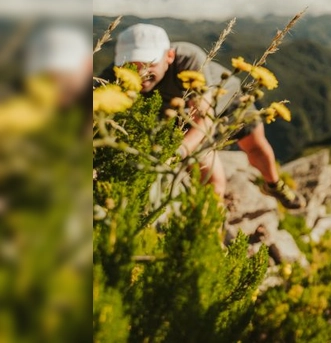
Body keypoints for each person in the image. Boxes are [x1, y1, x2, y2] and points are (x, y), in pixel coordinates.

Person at [102, 23, 304, 209]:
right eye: (130, 65)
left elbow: (204, 119)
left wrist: (178, 153)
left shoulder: (189, 58)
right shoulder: (111, 76)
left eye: (149, 64)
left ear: (169, 56)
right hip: (179, 118)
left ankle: (274, 184)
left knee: (255, 145)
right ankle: (208, 235)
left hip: (226, 101)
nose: (140, 73)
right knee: (213, 183)